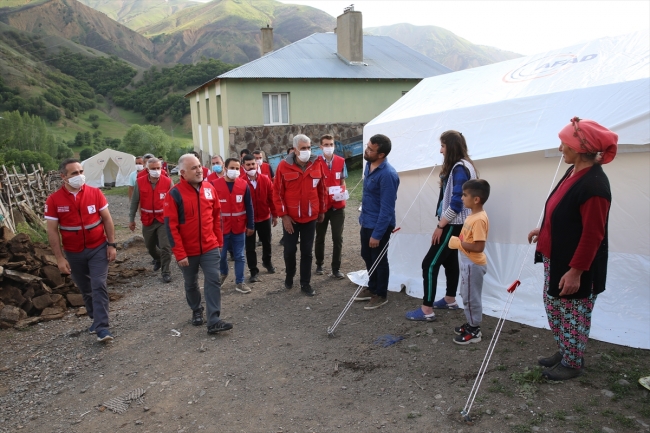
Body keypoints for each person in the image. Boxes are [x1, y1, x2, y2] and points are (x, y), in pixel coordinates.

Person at [527, 117, 617, 381]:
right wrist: (543, 230)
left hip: (576, 265)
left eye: (564, 144)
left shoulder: (595, 186)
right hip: (557, 258)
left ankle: (573, 362)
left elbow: (593, 234)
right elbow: (561, 208)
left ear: (580, 148)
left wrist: (576, 271)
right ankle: (566, 350)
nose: (560, 149)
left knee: (573, 313)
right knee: (555, 307)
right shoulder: (574, 171)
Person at [405, 130, 478, 321]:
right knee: (449, 259)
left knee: (429, 263)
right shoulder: (464, 165)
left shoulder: (459, 168)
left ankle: (426, 309)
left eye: (443, 146)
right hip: (458, 223)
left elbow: (457, 202)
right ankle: (450, 299)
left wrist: (441, 225)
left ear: (451, 147)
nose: (440, 151)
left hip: (454, 223)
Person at [45, 158, 117, 342]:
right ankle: (95, 318)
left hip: (98, 248)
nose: (80, 176)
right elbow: (52, 231)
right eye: (74, 173)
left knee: (98, 284)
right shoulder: (54, 200)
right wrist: (60, 258)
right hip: (73, 252)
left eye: (81, 172)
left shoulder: (95, 193)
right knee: (85, 288)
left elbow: (107, 220)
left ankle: (103, 328)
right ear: (63, 177)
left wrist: (111, 244)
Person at [164, 153, 233, 334]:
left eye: (199, 166)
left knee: (213, 280)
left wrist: (219, 241)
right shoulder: (175, 194)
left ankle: (214, 320)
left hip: (209, 246)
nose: (199, 170)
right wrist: (180, 253)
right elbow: (171, 227)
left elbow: (217, 217)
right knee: (191, 283)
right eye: (193, 168)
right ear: (183, 173)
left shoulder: (209, 188)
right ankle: (196, 310)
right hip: (187, 250)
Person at [273, 134, 326, 296]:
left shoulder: (317, 163)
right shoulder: (283, 166)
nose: (307, 151)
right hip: (291, 219)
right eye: (303, 148)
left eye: (309, 147)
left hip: (310, 218)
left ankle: (305, 283)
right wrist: (284, 216)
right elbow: (277, 193)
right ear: (295, 150)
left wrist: (322, 210)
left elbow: (321, 189)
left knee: (307, 251)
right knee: (289, 250)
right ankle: (290, 275)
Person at [354, 134, 399, 310]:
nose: (367, 150)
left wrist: (378, 234)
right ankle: (372, 286)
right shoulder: (369, 164)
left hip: (379, 225)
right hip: (366, 220)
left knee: (379, 259)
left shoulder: (388, 175)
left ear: (381, 155)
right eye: (368, 146)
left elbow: (387, 209)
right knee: (366, 255)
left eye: (371, 149)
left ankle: (381, 294)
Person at [448, 179, 490, 344]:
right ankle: (471, 322)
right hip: (467, 262)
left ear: (476, 199)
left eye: (464, 195)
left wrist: (459, 243)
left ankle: (474, 330)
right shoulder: (472, 215)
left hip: (474, 264)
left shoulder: (479, 219)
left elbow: (479, 246)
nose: (462, 198)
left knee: (471, 297)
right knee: (465, 294)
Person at [210, 158, 255, 294]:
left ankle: (240, 282)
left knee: (240, 256)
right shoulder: (214, 185)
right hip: (221, 229)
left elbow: (249, 206)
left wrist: (251, 225)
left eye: (237, 168)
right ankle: (223, 273)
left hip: (239, 228)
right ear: (225, 168)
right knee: (221, 256)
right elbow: (209, 208)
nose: (234, 171)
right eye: (232, 168)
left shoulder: (243, 185)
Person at [128, 157, 173, 283]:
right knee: (150, 247)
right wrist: (131, 219)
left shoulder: (168, 182)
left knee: (165, 246)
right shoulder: (140, 182)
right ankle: (158, 258)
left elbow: (174, 201)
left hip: (163, 219)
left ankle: (166, 272)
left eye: (158, 168)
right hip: (148, 219)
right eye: (153, 169)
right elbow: (134, 201)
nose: (156, 171)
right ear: (147, 169)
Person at [314, 134, 348, 279]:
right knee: (320, 236)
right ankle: (319, 264)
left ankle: (336, 268)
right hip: (321, 206)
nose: (329, 147)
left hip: (337, 206)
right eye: (326, 144)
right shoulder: (315, 162)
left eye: (331, 144)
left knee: (337, 238)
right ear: (321, 147)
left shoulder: (341, 161)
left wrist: (343, 192)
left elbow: (342, 181)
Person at [242, 154, 277, 282]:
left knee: (267, 242)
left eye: (253, 164)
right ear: (243, 166)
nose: (251, 166)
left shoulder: (265, 179)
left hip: (264, 217)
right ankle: (253, 270)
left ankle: (267, 262)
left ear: (257, 164)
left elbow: (271, 198)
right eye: (248, 164)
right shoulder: (241, 182)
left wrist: (275, 215)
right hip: (248, 221)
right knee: (250, 247)